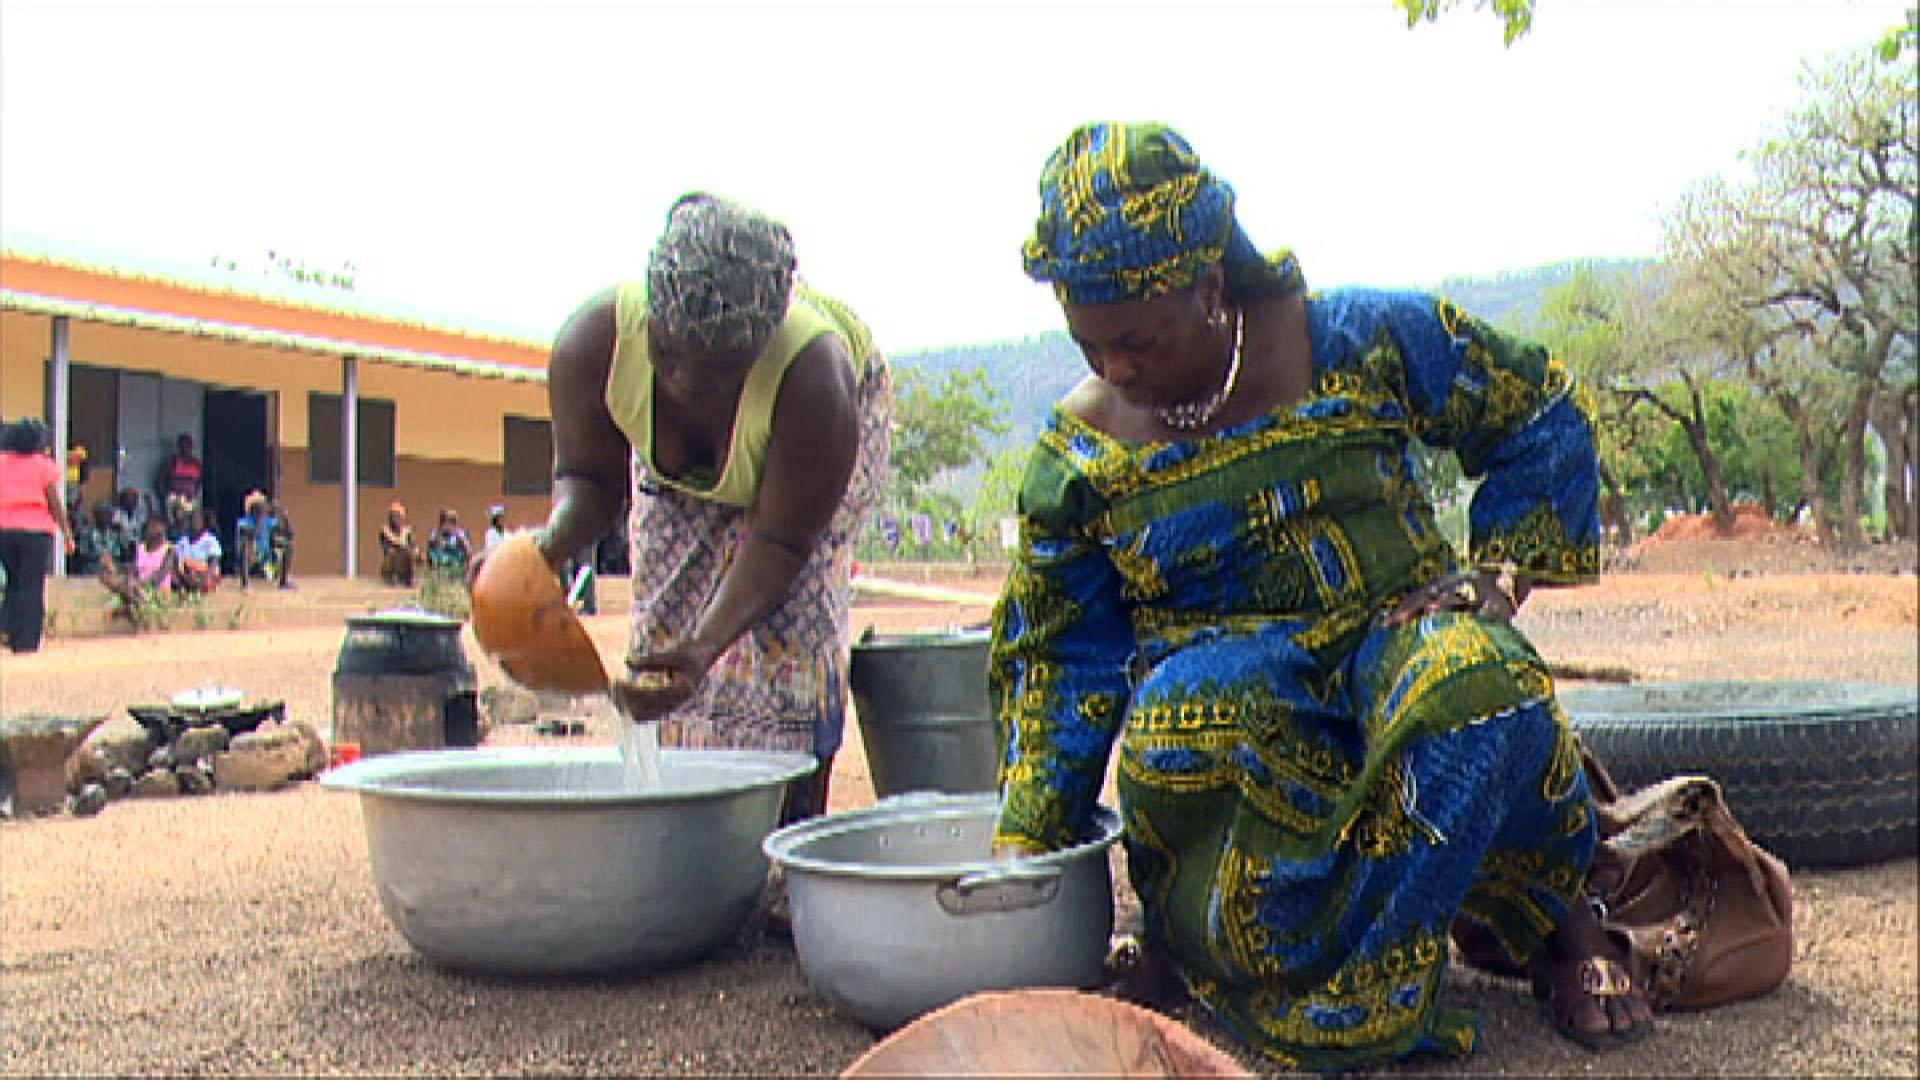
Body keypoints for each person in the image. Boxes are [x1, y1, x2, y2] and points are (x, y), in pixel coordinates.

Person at [987, 123, 1648, 1071]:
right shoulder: (1079, 461)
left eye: (1137, 340)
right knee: (1178, 724)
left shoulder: (1357, 339)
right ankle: (1202, 953)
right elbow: (1064, 658)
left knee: (1477, 681)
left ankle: (1562, 924)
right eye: (1090, 344)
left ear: (1209, 287)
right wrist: (1027, 842)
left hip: (1394, 644)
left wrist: (1498, 579)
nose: (1115, 369)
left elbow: (1532, 406)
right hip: (1241, 699)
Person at [531, 193, 891, 824]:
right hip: (691, 473)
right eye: (668, 357)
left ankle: (788, 836)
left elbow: (781, 543)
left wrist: (708, 644)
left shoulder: (815, 379)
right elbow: (589, 481)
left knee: (787, 637)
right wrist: (544, 551)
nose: (688, 384)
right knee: (664, 638)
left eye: (720, 369)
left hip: (801, 478)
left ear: (758, 346)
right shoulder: (594, 347)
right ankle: (680, 831)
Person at [0, 419, 75, 653]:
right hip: (36, 533)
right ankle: (27, 641)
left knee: (14, 582)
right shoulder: (44, 466)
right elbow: (54, 503)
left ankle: (9, 630)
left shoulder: (2, 462)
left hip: (5, 531)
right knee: (31, 586)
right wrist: (67, 533)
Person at [236, 491, 294, 590]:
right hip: (251, 558)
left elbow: (290, 534)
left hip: (267, 560)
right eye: (259, 507)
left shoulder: (268, 522)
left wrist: (284, 515)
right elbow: (255, 535)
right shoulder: (244, 523)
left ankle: (283, 581)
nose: (262, 509)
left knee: (288, 545)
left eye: (262, 506)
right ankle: (245, 584)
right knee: (246, 545)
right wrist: (260, 521)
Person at [175, 508, 223, 593]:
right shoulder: (182, 541)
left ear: (203, 523)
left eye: (197, 520)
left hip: (204, 574)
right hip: (185, 574)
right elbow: (177, 561)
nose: (194, 523)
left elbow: (214, 561)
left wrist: (207, 577)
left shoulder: (210, 540)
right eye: (191, 520)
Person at [378, 501, 419, 586]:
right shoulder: (385, 531)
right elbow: (388, 547)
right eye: (394, 516)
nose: (396, 518)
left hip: (405, 561)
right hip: (392, 561)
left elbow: (414, 546)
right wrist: (402, 546)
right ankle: (391, 578)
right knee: (393, 554)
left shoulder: (408, 531)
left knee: (411, 554)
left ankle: (408, 579)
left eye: (399, 516)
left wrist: (415, 551)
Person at [160, 433, 203, 511]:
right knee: (176, 521)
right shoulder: (173, 461)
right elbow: (161, 480)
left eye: (188, 445)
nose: (186, 448)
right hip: (175, 499)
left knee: (190, 521)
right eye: (183, 445)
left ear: (192, 446)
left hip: (190, 498)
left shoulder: (196, 463)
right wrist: (166, 495)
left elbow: (200, 480)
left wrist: (195, 492)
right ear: (179, 447)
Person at [427, 508, 473, 578]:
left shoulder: (461, 535)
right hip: (439, 571)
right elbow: (430, 553)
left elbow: (469, 552)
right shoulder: (435, 534)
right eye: (442, 522)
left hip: (457, 569)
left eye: (451, 522)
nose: (443, 525)